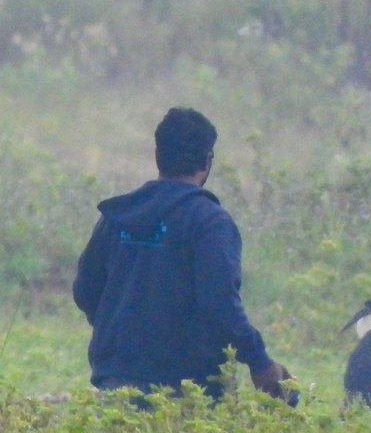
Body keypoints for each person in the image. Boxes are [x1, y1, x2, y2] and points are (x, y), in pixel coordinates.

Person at [72, 107, 293, 403]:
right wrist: (260, 363)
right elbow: (220, 305)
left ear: (158, 155)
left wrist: (125, 334)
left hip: (117, 384)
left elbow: (85, 291)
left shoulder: (117, 218)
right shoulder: (209, 222)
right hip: (189, 392)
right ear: (207, 162)